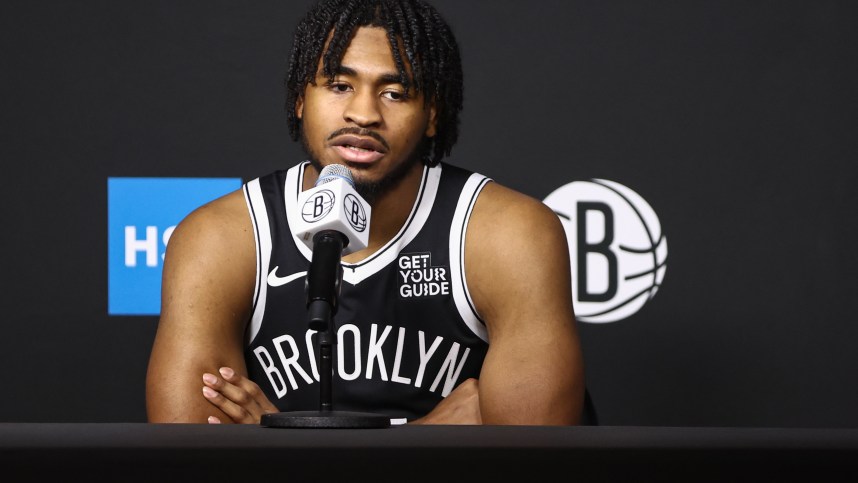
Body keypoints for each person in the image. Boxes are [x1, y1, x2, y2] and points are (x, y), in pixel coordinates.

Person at [145, 0, 586, 425]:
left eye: (395, 93)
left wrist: (279, 447)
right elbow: (191, 457)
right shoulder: (220, 238)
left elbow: (532, 459)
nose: (363, 114)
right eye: (339, 86)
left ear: (432, 116)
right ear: (301, 98)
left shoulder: (508, 234)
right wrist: (427, 438)